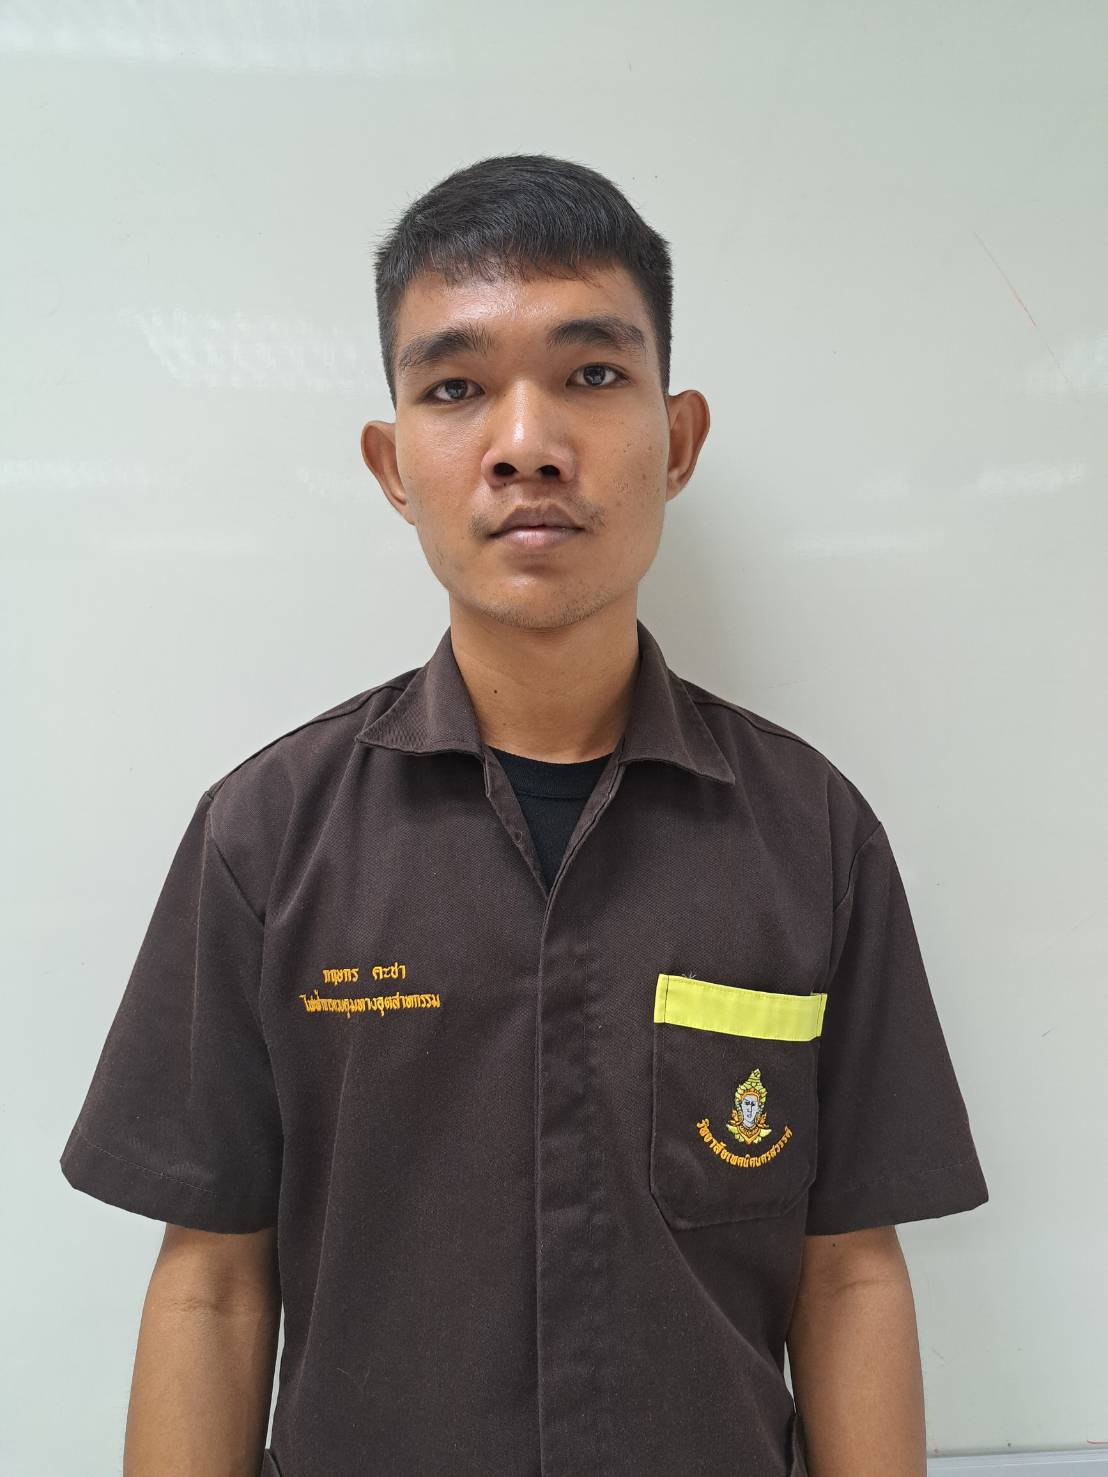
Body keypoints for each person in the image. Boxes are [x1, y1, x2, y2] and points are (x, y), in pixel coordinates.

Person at [60, 153, 988, 1477]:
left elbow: (847, 1274)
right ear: (392, 463)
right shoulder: (265, 840)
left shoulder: (812, 838)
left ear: (678, 439)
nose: (526, 442)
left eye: (592, 373)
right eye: (455, 388)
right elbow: (209, 1285)